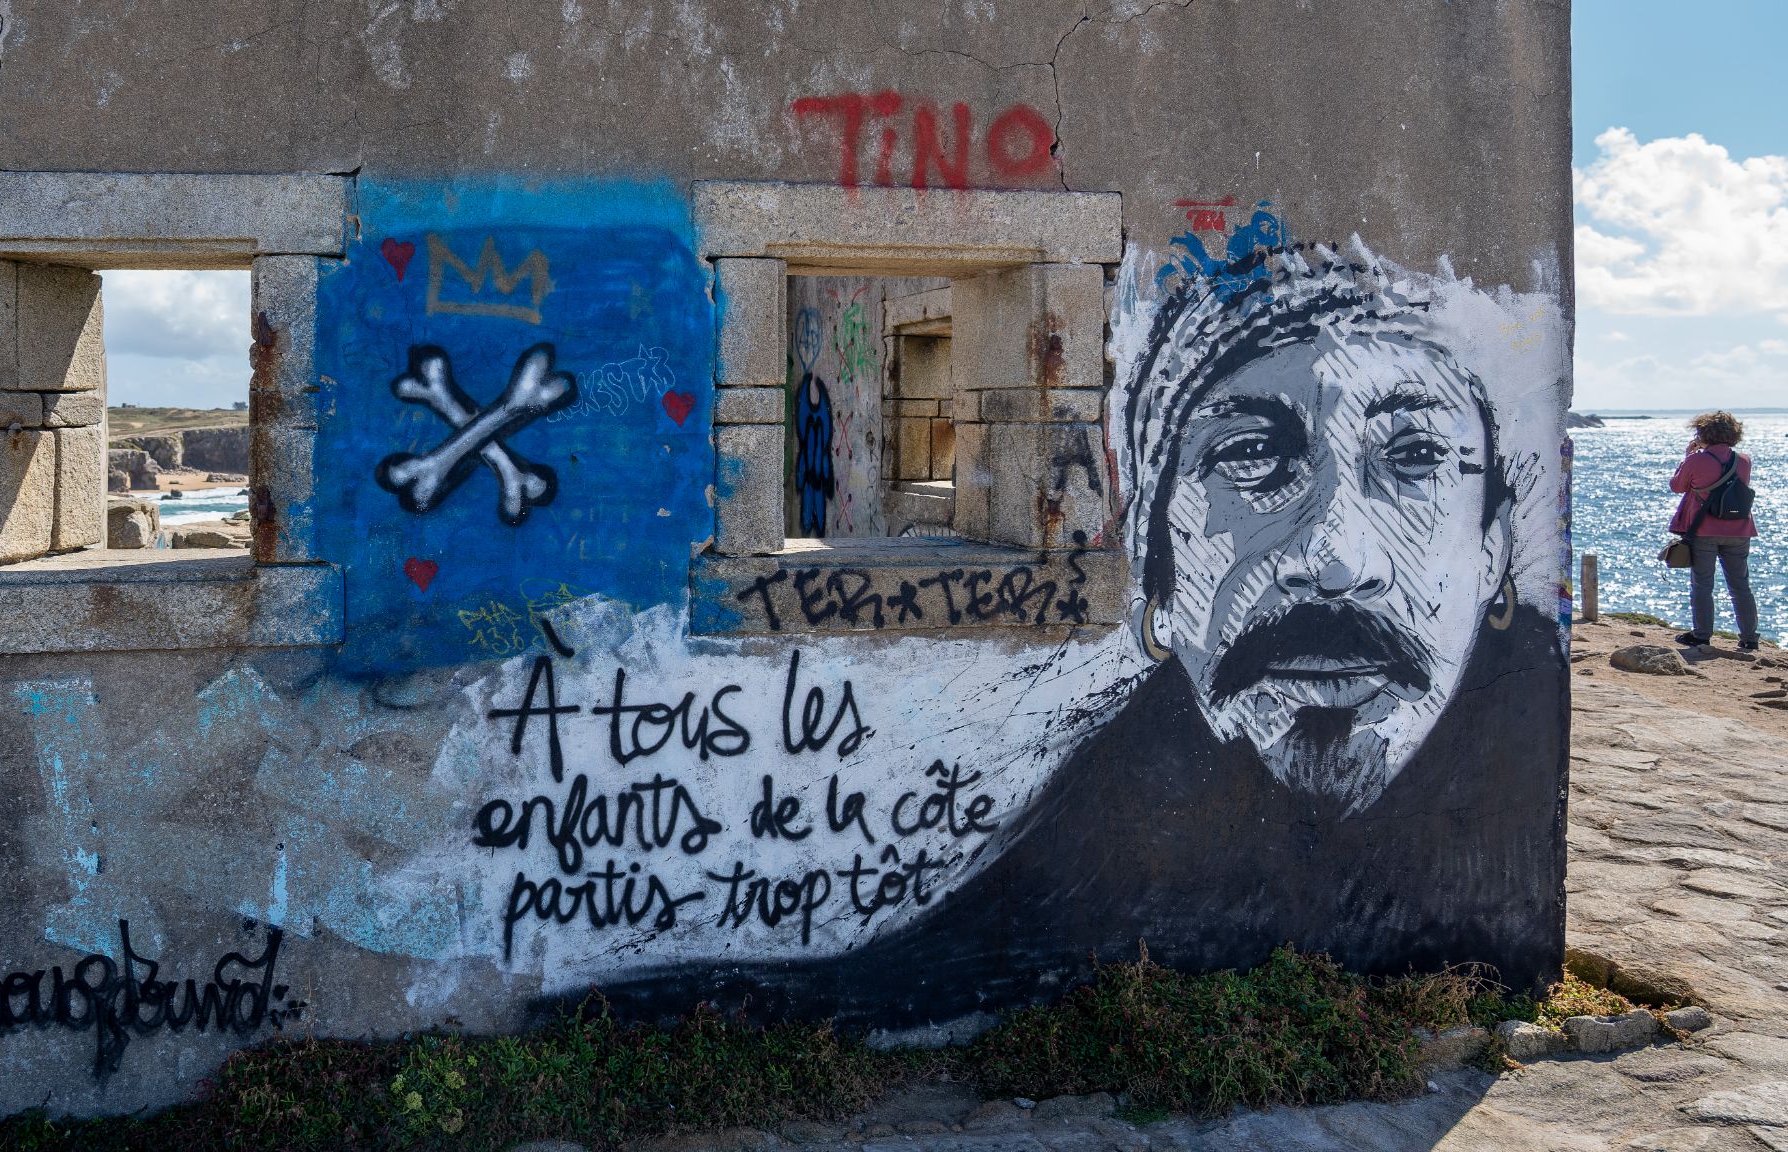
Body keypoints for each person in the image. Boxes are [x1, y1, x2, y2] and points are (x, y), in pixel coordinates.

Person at [551, 245, 1564, 1032]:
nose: (1338, 558)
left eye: (1414, 456)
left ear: (1493, 548)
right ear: (1155, 580)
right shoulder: (1082, 819)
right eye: (1251, 455)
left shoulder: (1523, 749)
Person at [1669, 411, 1759, 651]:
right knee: (1741, 586)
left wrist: (1688, 456)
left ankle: (1702, 635)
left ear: (1702, 433)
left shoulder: (1696, 459)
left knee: (1702, 585)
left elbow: (1677, 486)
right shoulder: (1744, 460)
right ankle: (1750, 638)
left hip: (1704, 529)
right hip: (1740, 530)